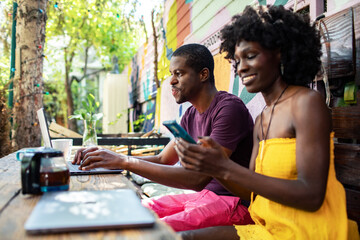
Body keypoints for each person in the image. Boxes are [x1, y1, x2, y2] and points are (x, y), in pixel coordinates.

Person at [175, 5, 348, 240]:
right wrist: (214, 167)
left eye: (251, 56)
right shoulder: (263, 119)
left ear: (280, 53)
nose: (241, 67)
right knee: (175, 236)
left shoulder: (306, 104)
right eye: (237, 60)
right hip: (265, 229)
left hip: (307, 232)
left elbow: (311, 195)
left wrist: (225, 167)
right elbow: (252, 192)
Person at [73, 43, 255, 231]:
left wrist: (123, 161)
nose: (171, 81)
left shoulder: (229, 109)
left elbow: (197, 179)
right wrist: (107, 158)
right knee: (128, 210)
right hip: (203, 197)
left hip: (234, 204)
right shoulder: (190, 115)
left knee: (149, 229)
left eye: (179, 73)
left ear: (203, 75)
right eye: (171, 74)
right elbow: (163, 159)